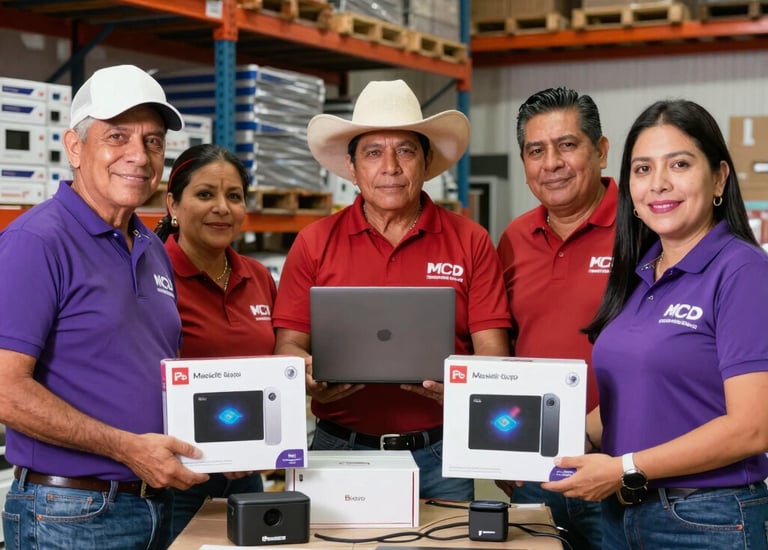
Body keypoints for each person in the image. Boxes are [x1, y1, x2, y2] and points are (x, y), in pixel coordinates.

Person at [0, 64, 209, 549]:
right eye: (117, 136)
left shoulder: (151, 246)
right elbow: (6, 391)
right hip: (71, 515)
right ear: (75, 147)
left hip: (154, 502)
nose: (139, 156)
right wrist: (127, 449)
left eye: (153, 141)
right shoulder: (36, 242)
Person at [543, 99, 768, 549]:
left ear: (720, 176)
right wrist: (535, 434)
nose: (659, 184)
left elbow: (753, 425)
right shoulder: (639, 272)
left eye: (679, 164)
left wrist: (624, 467)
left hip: (708, 519)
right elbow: (630, 403)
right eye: (642, 169)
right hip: (623, 514)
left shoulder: (742, 271)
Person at [272, 79, 511, 500]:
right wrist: (305, 375)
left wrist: (463, 384)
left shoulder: (470, 240)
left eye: (405, 150)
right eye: (373, 152)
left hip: (440, 454)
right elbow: (288, 346)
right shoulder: (313, 242)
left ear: (426, 160)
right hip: (337, 450)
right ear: (352, 167)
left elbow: (493, 351)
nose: (390, 167)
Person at [495, 86, 611, 549]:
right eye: (536, 150)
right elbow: (501, 345)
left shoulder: (643, 229)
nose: (552, 163)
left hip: (615, 468)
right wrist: (501, 452)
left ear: (601, 151)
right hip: (534, 468)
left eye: (567, 145)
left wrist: (594, 436)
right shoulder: (513, 239)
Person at [154, 143, 278, 540]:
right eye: (205, 194)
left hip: (246, 476)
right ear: (173, 205)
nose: (222, 208)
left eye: (234, 196)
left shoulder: (258, 277)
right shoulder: (150, 277)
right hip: (177, 480)